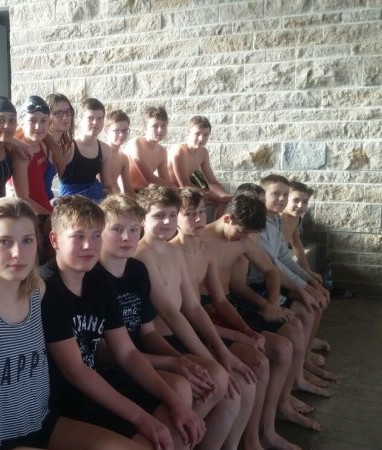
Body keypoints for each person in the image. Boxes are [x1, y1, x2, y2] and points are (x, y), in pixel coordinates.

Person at [0, 197, 146, 449]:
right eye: (5, 242)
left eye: (27, 241)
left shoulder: (38, 290)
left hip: (38, 422)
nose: (18, 253)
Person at [41, 195, 202, 450]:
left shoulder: (98, 280)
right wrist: (143, 419)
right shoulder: (47, 288)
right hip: (62, 397)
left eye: (96, 235)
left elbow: (127, 352)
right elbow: (75, 371)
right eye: (78, 236)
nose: (89, 245)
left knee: (174, 424)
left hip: (95, 381)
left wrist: (176, 404)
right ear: (55, 240)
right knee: (152, 438)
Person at [97, 194, 230, 448]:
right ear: (100, 232)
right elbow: (106, 352)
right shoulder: (94, 277)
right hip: (112, 367)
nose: (127, 237)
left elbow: (148, 333)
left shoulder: (136, 271)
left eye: (133, 229)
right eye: (117, 229)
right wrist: (173, 362)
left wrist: (182, 360)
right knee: (181, 386)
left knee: (214, 376)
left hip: (140, 353)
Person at [133, 185, 258, 449]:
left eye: (171, 215)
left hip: (180, 336)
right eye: (159, 216)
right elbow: (170, 313)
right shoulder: (142, 256)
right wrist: (213, 359)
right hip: (158, 341)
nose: (167, 222)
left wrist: (222, 352)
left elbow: (193, 307)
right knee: (218, 380)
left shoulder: (173, 251)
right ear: (142, 219)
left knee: (233, 395)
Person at [175, 187, 298, 450]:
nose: (198, 219)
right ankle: (250, 440)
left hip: (216, 312)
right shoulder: (184, 249)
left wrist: (250, 326)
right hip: (197, 322)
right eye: (190, 214)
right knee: (254, 368)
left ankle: (262, 432)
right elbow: (191, 311)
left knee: (277, 349)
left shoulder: (213, 248)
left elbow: (224, 299)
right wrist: (237, 336)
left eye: (201, 212)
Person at [203, 193, 320, 434]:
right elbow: (210, 302)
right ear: (227, 218)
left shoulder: (243, 239)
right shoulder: (202, 242)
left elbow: (271, 271)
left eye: (249, 234)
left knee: (286, 343)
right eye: (243, 232)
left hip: (229, 305)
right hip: (211, 310)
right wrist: (244, 331)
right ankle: (256, 434)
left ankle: (278, 411)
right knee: (269, 354)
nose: (245, 238)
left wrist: (272, 305)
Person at [254, 175, 332, 394]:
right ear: (263, 196)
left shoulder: (276, 220)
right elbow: (273, 265)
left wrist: (308, 279)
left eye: (285, 195)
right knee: (308, 308)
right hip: (262, 284)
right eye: (276, 194)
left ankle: (303, 362)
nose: (281, 199)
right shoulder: (259, 224)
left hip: (275, 279)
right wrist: (303, 288)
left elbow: (284, 257)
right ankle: (297, 376)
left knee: (315, 303)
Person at [167, 116, 230, 220]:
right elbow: (185, 185)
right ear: (188, 134)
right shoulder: (179, 151)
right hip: (170, 190)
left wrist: (225, 196)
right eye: (197, 134)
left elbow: (212, 182)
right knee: (218, 199)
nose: (201, 139)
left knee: (225, 202)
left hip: (187, 190)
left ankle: (214, 227)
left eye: (205, 135)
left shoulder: (203, 152)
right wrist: (215, 196)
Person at [57, 98, 112, 203]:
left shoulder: (105, 150)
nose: (95, 122)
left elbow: (107, 185)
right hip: (70, 203)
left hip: (96, 200)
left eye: (99, 118)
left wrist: (109, 197)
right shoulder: (67, 147)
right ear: (80, 120)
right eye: (90, 118)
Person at [11, 95, 54, 215]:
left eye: (43, 121)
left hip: (44, 207)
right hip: (30, 214)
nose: (38, 127)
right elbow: (22, 199)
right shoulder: (21, 154)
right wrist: (50, 217)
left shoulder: (42, 145)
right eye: (32, 120)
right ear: (22, 122)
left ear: (49, 123)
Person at [124, 107, 171, 191]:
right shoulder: (136, 144)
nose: (160, 130)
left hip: (146, 191)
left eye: (163, 125)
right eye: (155, 126)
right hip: (129, 191)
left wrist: (178, 191)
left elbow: (165, 180)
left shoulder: (162, 151)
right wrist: (173, 190)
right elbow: (148, 177)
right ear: (144, 129)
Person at [103, 110, 134, 196]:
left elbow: (128, 188)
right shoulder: (100, 153)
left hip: (118, 198)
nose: (121, 135)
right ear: (106, 130)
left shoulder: (123, 157)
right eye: (116, 130)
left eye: (125, 130)